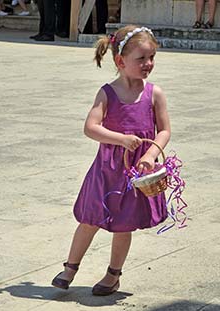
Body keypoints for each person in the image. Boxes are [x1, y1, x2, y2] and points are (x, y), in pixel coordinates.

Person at [51, 24, 171, 296]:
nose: (148, 64)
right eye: (141, 58)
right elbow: (90, 127)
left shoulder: (154, 93)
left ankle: (112, 275)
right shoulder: (108, 93)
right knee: (90, 219)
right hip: (107, 170)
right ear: (120, 61)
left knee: (124, 223)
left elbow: (164, 130)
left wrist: (152, 154)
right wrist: (121, 139)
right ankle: (70, 268)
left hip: (134, 174)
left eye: (151, 57)